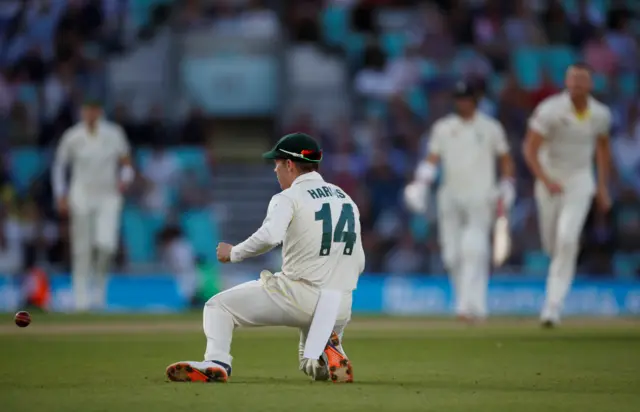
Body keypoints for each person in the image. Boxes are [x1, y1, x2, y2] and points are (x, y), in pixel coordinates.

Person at [165, 133, 365, 383]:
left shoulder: (289, 197)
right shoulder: (345, 199)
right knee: (310, 364)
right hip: (340, 302)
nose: (275, 170)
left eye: (277, 164)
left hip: (299, 295)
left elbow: (270, 236)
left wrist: (234, 252)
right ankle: (330, 350)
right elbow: (359, 260)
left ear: (290, 165)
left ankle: (217, 362)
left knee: (218, 307)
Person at [404, 81, 515, 322]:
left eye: (465, 98)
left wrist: (507, 183)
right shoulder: (443, 128)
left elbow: (505, 157)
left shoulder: (490, 128)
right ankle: (469, 302)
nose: (461, 103)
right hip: (450, 195)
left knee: (473, 249)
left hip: (481, 195)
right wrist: (421, 184)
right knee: (451, 255)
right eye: (458, 98)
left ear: (475, 100)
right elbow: (433, 158)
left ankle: (470, 306)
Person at [523, 63, 612, 327]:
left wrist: (602, 187)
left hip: (580, 180)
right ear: (566, 83)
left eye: (581, 80)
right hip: (550, 179)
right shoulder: (550, 110)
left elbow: (603, 150)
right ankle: (564, 257)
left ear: (590, 84)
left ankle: (552, 307)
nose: (576, 85)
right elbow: (530, 149)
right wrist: (545, 180)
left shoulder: (600, 114)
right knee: (552, 244)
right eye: (572, 80)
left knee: (567, 238)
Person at [52, 99, 134, 312]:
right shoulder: (73, 136)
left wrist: (126, 178)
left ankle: (98, 294)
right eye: (86, 110)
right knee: (82, 249)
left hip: (108, 196)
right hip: (81, 195)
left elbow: (126, 163)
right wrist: (60, 194)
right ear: (82, 111)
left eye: (94, 110)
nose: (90, 114)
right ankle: (81, 301)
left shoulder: (113, 133)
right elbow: (60, 166)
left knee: (107, 245)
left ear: (100, 111)